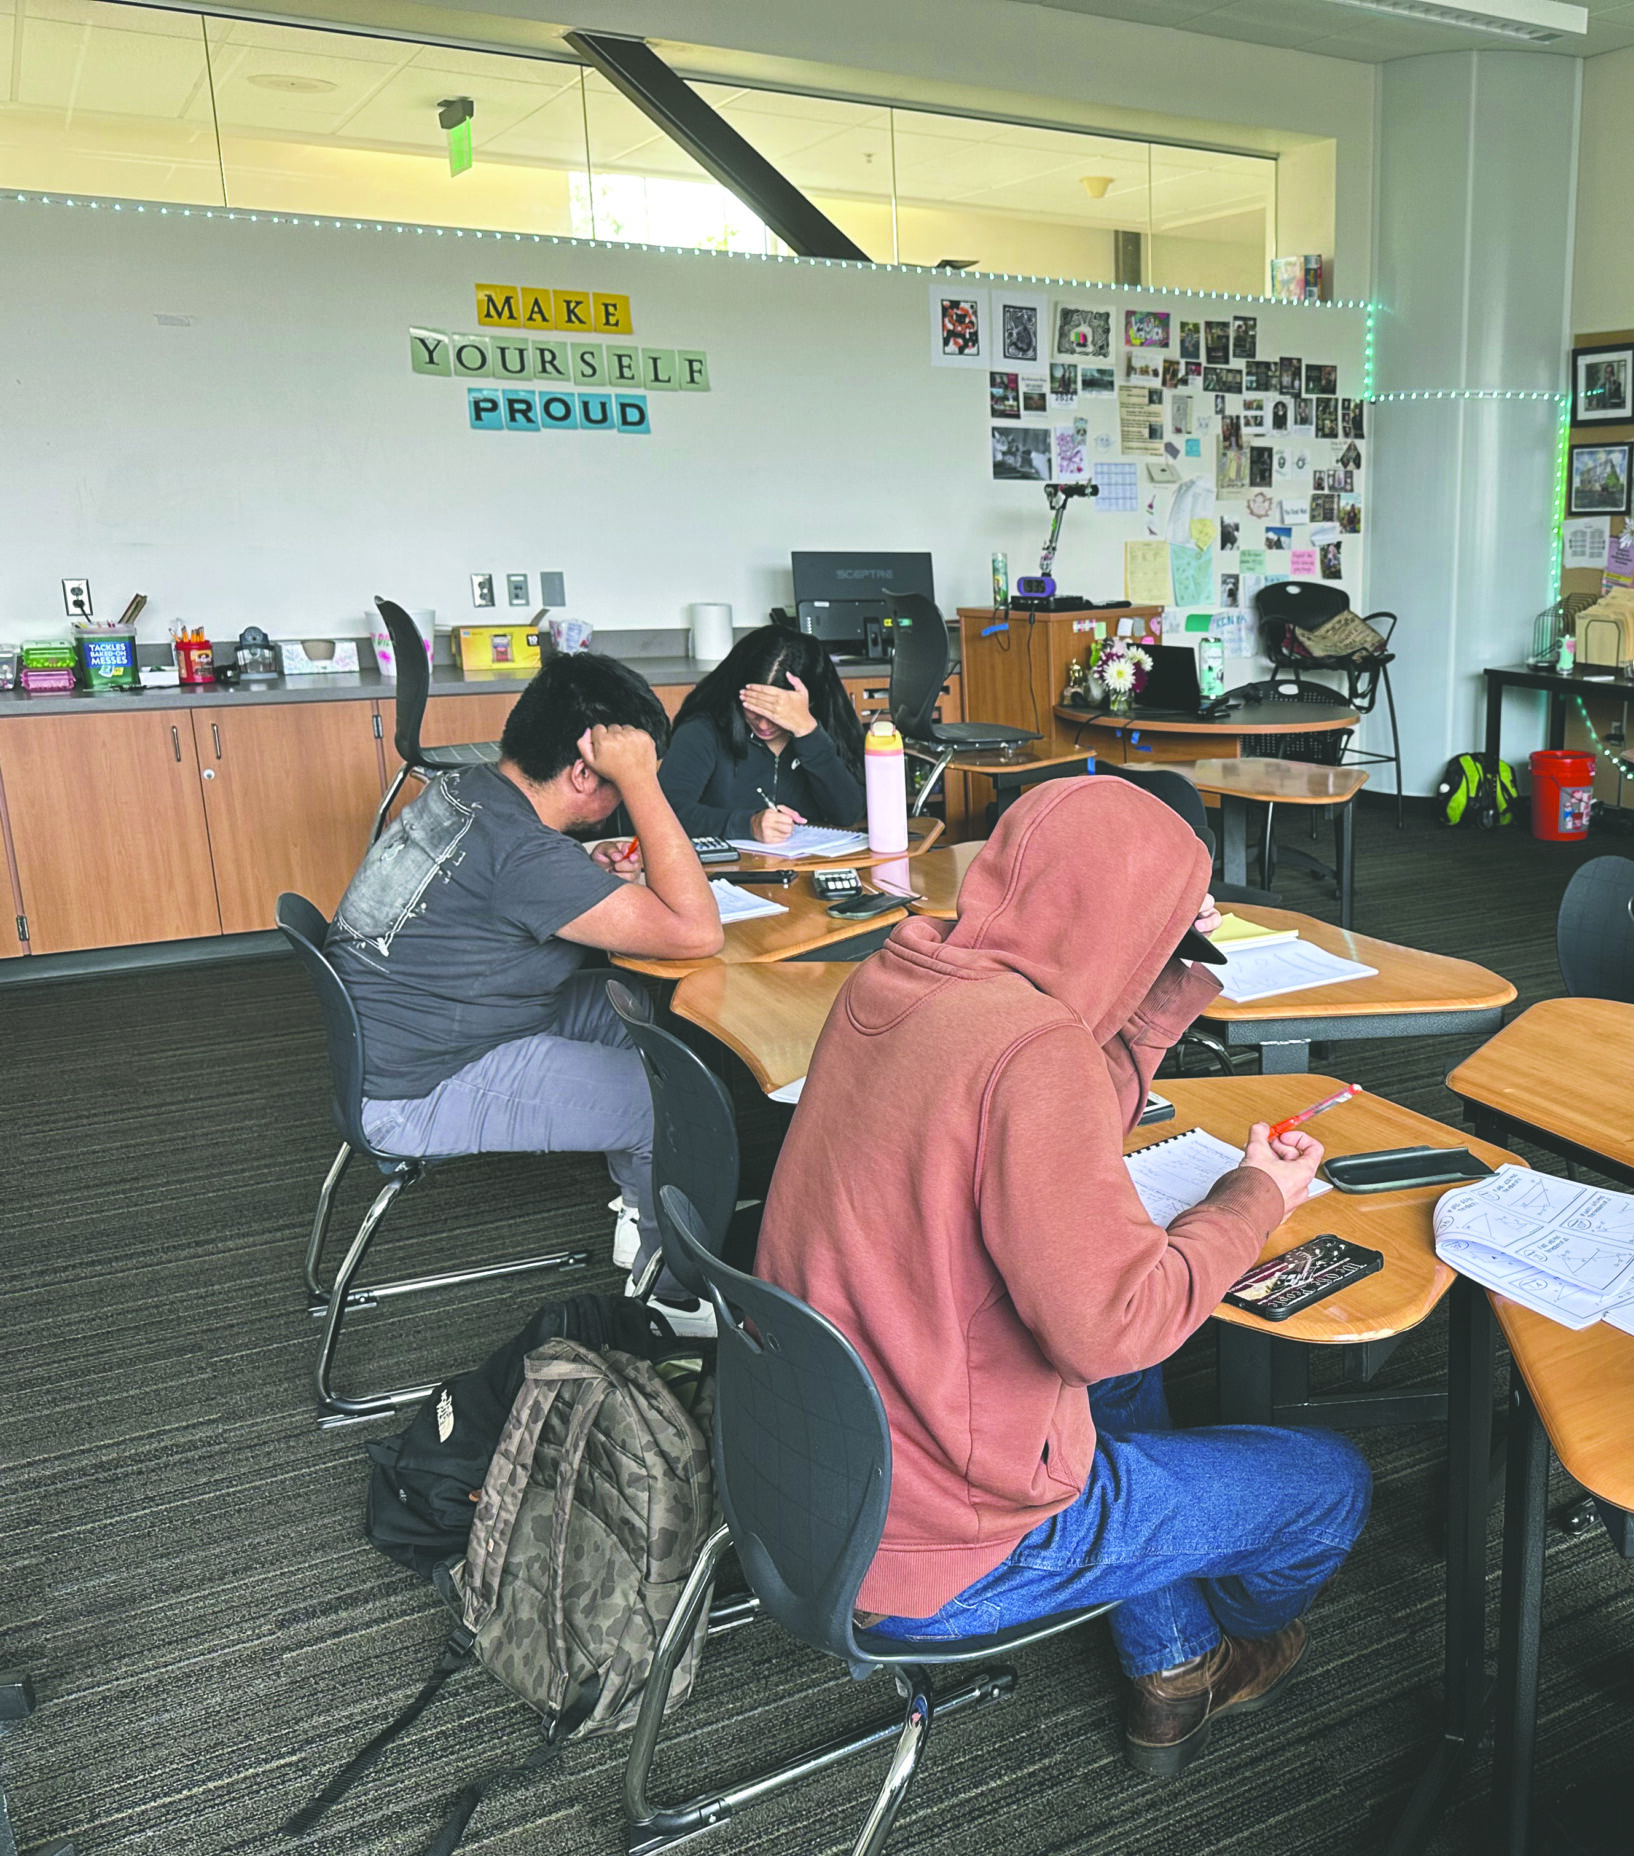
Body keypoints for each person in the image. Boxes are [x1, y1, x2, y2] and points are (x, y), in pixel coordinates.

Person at [759, 776, 1370, 1777]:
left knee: (1120, 1395)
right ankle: (1211, 1651)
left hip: (823, 1471)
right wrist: (1253, 1197)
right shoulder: (1031, 1048)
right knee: (1327, 1487)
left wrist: (1161, 986)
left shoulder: (903, 972)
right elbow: (1114, 1324)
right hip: (940, 1551)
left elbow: (1060, 1105)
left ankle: (1166, 1657)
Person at [328, 652, 723, 1276]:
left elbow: (499, 887)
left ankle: (642, 1208)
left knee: (636, 1005)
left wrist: (584, 881)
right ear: (586, 774)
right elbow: (698, 933)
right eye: (625, 777)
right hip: (421, 1086)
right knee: (671, 1104)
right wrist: (646, 785)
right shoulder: (524, 855)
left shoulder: (466, 787)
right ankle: (670, 1289)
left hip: (412, 1032)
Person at [659, 624, 870, 843]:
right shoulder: (703, 729)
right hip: (724, 871)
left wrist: (808, 732)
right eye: (754, 709)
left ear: (810, 702)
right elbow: (664, 815)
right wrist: (747, 824)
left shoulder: (824, 728)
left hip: (810, 865)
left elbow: (848, 815)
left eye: (776, 713)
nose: (763, 724)